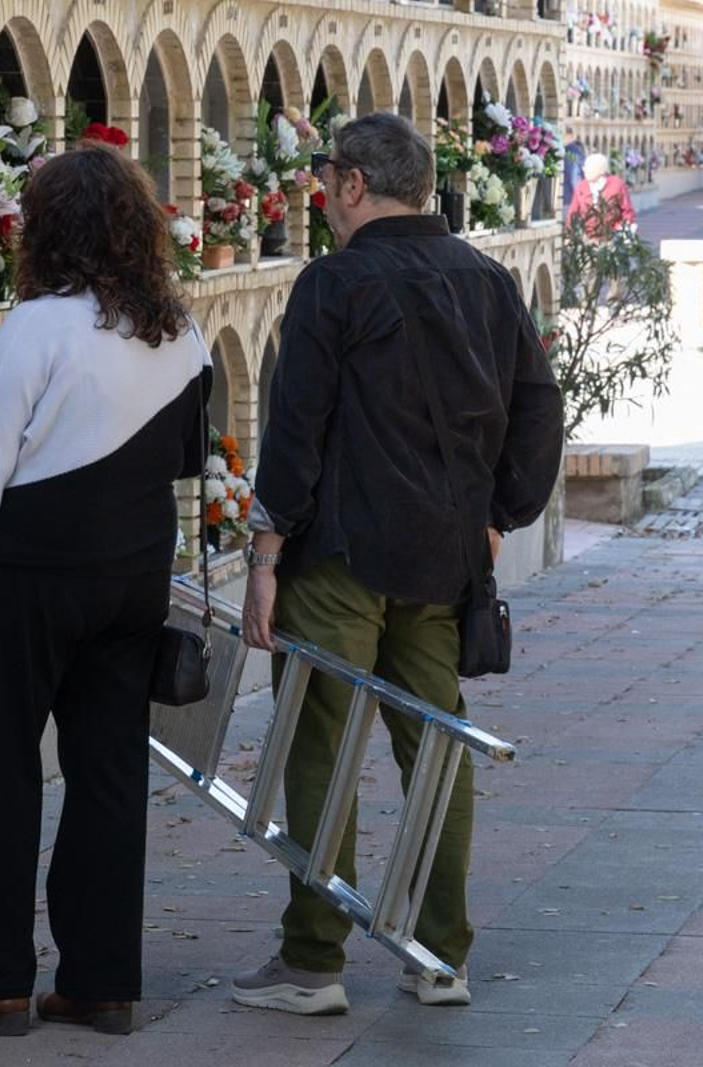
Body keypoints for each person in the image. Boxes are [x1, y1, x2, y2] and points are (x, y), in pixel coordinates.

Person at [230, 113, 565, 1015]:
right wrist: (497, 520)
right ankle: (438, 955)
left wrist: (266, 553)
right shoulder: (488, 279)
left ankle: (313, 961)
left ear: (351, 184)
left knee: (320, 742)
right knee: (438, 746)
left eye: (327, 178)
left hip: (340, 554)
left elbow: (296, 430)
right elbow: (540, 413)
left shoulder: (333, 284)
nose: (320, 197)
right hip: (445, 563)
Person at [0, 143, 209, 1037]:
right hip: (136, 577)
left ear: (47, 232)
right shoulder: (176, 331)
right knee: (109, 774)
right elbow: (184, 458)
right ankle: (101, 980)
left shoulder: (33, 330)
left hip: (34, 577)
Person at [566, 153, 637, 237]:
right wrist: (569, 234)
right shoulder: (582, 187)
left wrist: (622, 231)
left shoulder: (617, 185)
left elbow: (627, 211)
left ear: (602, 171)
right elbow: (572, 213)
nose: (584, 170)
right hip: (587, 236)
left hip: (612, 235)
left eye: (589, 167)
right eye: (584, 167)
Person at [562, 133, 587, 206]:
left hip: (564, 199)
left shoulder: (566, 151)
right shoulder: (575, 152)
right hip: (572, 201)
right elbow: (575, 177)